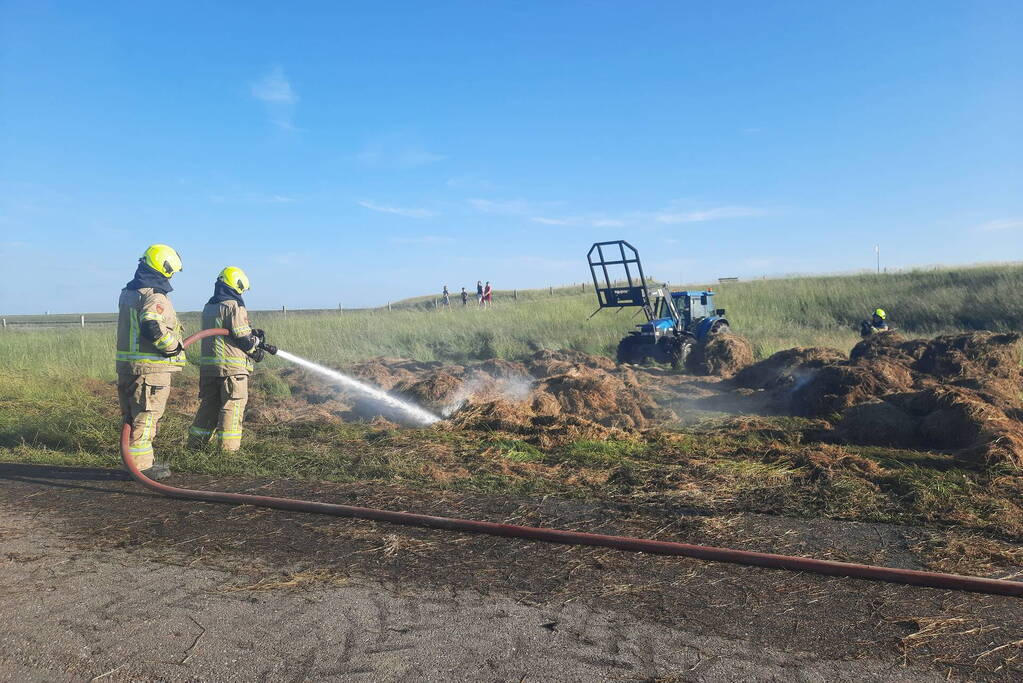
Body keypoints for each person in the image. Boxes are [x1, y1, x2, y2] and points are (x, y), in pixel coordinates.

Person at [116, 244, 186, 480]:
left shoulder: (129, 293)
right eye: (172, 271)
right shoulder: (154, 295)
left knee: (131, 418)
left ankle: (133, 463)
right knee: (146, 417)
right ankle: (142, 468)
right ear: (164, 268)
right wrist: (172, 346)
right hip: (150, 369)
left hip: (128, 367)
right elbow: (151, 325)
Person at [187, 267, 276, 451]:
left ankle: (195, 448)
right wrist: (255, 351)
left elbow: (228, 333)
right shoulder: (234, 306)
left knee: (208, 408)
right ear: (237, 285)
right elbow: (242, 337)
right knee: (232, 408)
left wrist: (252, 334)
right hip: (232, 370)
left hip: (210, 369)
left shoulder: (209, 306)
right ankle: (228, 453)